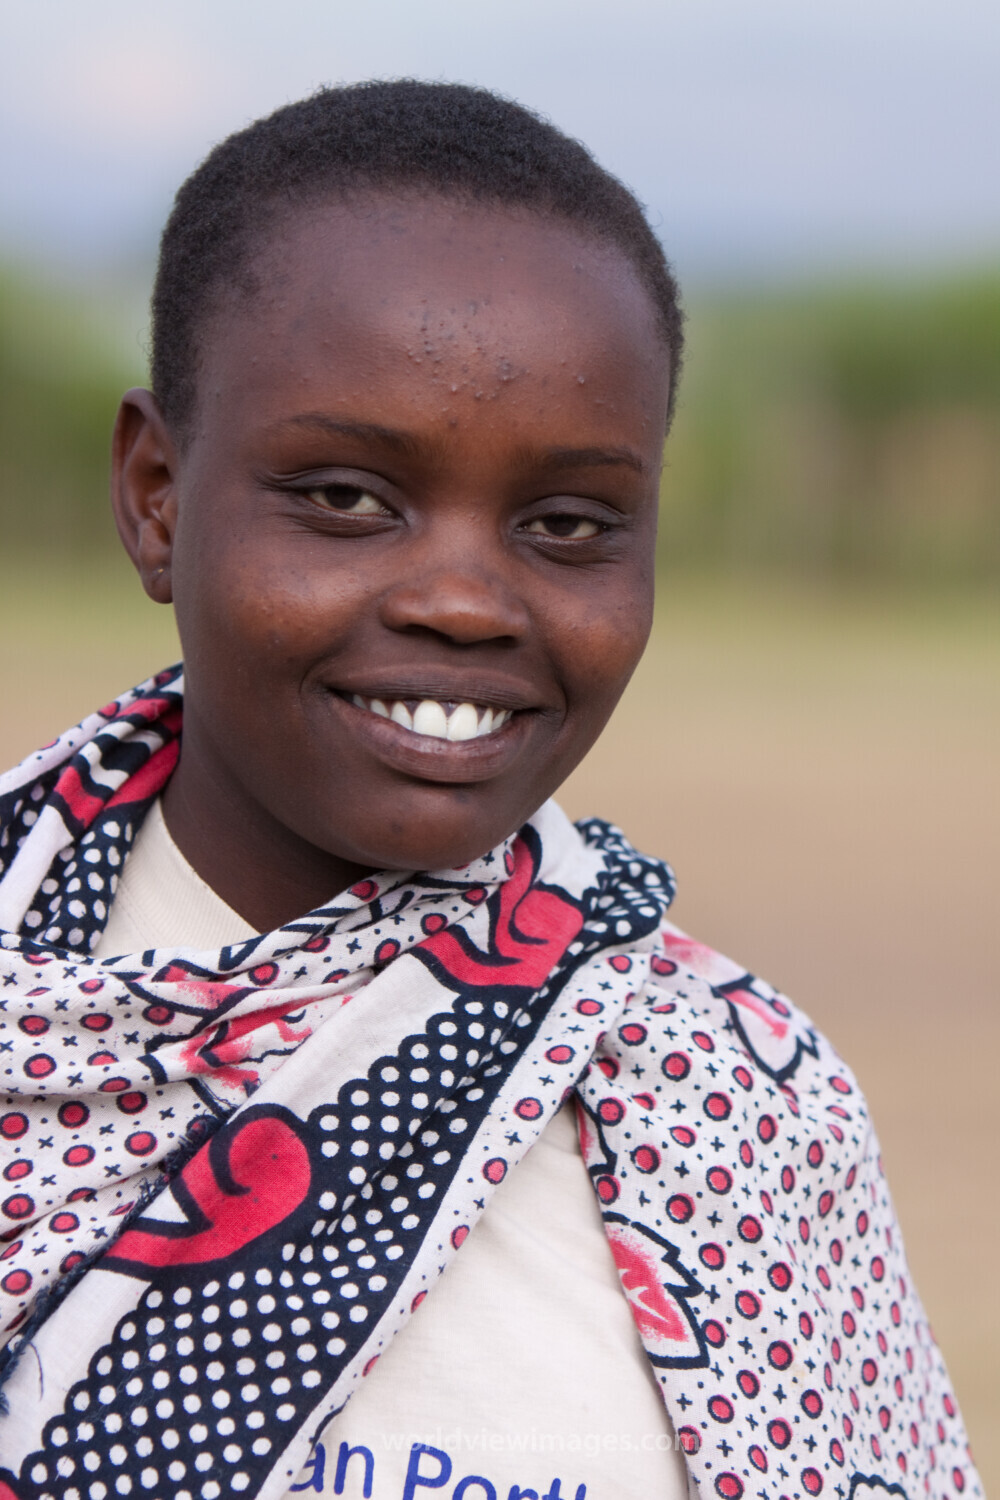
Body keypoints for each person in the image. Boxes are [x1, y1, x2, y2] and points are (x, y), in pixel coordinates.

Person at [0, 81, 979, 1500]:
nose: (466, 601)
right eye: (345, 497)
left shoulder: (736, 1109)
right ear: (158, 494)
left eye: (568, 524)